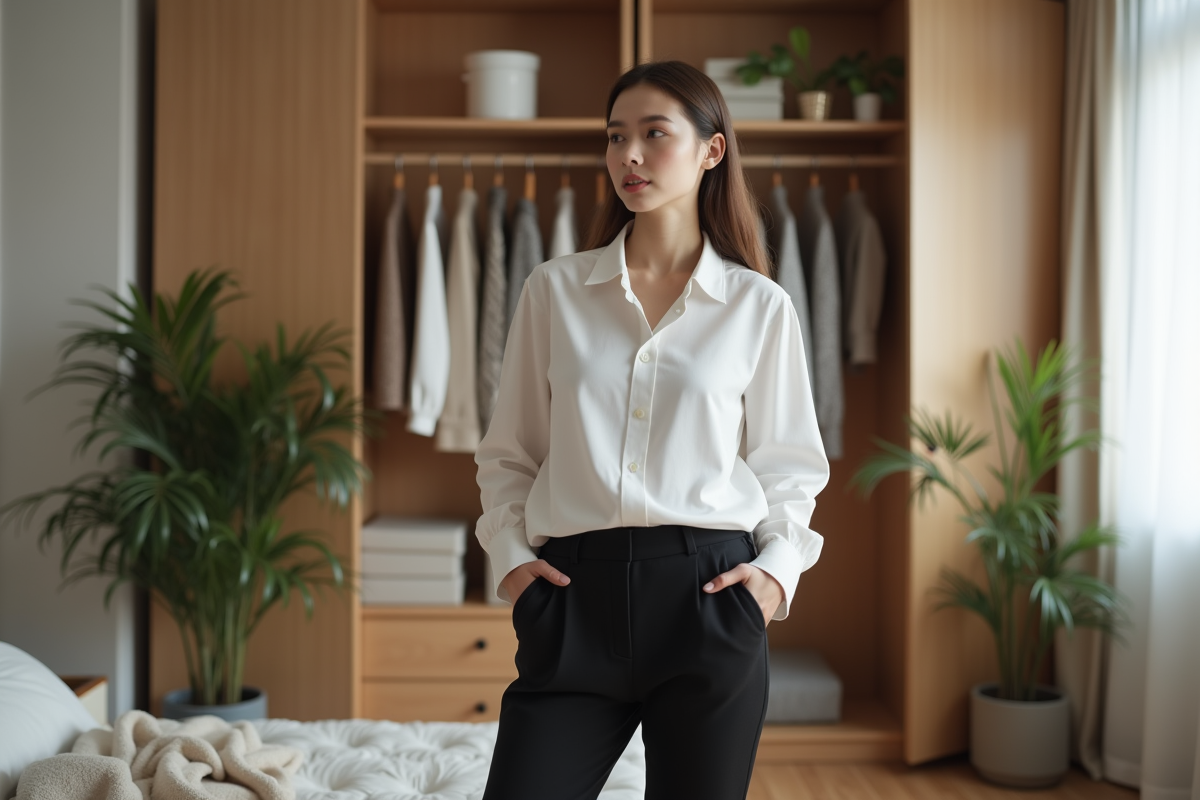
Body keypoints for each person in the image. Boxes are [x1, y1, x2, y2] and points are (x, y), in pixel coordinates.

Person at [474, 60, 830, 800]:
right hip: (572, 599)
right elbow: (510, 452)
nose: (627, 156)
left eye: (653, 134)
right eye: (614, 137)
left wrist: (773, 577)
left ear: (712, 150)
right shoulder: (554, 291)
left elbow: (790, 465)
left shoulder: (758, 306)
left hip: (710, 601)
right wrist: (510, 561)